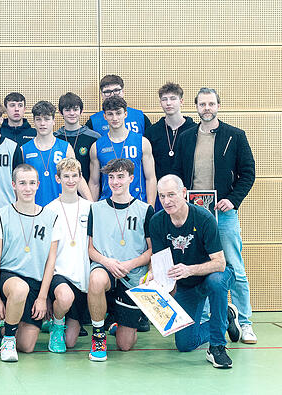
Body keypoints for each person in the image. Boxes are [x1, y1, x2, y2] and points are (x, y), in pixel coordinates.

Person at [175, 87, 257, 344]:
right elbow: (178, 172)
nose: (207, 108)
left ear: (218, 106)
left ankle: (245, 323)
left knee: (235, 268)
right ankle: (211, 320)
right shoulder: (187, 137)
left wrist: (232, 200)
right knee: (206, 268)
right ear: (196, 107)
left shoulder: (235, 136)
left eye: (211, 104)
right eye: (202, 104)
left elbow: (248, 173)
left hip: (224, 215)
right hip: (195, 214)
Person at [148, 175, 237, 368]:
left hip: (213, 275)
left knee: (216, 282)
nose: (166, 201)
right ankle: (226, 317)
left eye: (171, 195)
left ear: (184, 193)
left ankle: (217, 348)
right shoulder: (157, 222)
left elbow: (220, 264)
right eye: (162, 196)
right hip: (187, 286)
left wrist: (189, 270)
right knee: (185, 344)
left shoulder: (204, 218)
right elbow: (160, 264)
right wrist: (153, 278)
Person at [0, 164, 59, 361]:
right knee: (19, 289)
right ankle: (8, 340)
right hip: (9, 277)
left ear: (37, 185)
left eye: (32, 183)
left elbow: (50, 261)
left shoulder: (51, 218)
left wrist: (43, 297)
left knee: (27, 346)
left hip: (35, 283)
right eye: (22, 183)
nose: (27, 188)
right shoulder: (0, 216)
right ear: (13, 185)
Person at [86, 158, 154, 362]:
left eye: (120, 177)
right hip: (106, 268)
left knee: (125, 346)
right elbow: (90, 250)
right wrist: (108, 263)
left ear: (131, 179)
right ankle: (98, 335)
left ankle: (116, 321)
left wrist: (129, 264)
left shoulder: (145, 210)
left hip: (132, 275)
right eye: (112, 177)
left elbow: (152, 251)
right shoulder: (95, 209)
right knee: (96, 279)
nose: (115, 182)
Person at [44, 158, 92, 353]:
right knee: (64, 297)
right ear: (58, 179)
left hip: (82, 275)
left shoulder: (91, 208)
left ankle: (58, 318)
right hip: (59, 273)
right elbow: (45, 252)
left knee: (71, 342)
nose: (70, 180)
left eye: (74, 176)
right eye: (66, 176)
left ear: (80, 178)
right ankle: (56, 325)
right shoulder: (49, 210)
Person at [17, 101, 91, 206]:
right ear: (34, 121)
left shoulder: (65, 147)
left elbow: (78, 177)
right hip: (34, 208)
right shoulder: (24, 150)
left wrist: (91, 204)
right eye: (38, 119)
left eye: (47, 119)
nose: (43, 123)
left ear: (53, 121)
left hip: (61, 208)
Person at [89, 96, 156, 206]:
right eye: (110, 114)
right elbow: (94, 183)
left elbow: (150, 178)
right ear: (104, 116)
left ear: (125, 114)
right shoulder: (96, 147)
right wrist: (91, 209)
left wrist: (150, 208)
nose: (115, 118)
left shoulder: (142, 142)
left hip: (137, 203)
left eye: (118, 113)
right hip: (108, 205)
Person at [145, 82, 196, 185]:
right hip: (160, 193)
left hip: (187, 191)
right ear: (160, 102)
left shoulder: (194, 130)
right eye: (164, 99)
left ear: (181, 101)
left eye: (173, 98)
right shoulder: (151, 132)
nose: (168, 103)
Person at [55, 92, 100, 184]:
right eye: (67, 110)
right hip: (61, 192)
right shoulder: (54, 138)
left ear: (81, 111)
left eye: (75, 109)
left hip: (87, 190)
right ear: (60, 112)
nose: (72, 113)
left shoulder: (94, 137)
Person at [85, 74, 151, 136]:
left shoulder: (140, 117)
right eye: (107, 92)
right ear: (101, 95)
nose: (112, 95)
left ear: (123, 92)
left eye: (116, 90)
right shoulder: (93, 121)